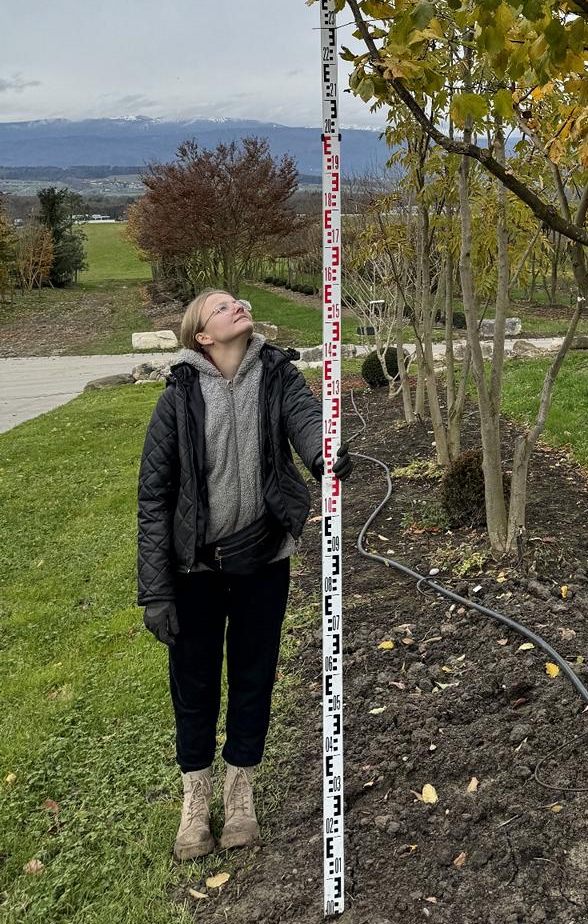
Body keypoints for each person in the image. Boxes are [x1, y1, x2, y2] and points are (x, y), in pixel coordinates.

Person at [136, 290, 352, 861]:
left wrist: (324, 452)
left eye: (238, 301)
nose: (238, 306)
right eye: (221, 306)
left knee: (254, 678)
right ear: (201, 336)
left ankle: (240, 796)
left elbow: (306, 421)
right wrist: (156, 591)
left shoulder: (276, 375)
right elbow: (154, 500)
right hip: (195, 571)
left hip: (263, 561)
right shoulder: (177, 399)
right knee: (195, 686)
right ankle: (195, 798)